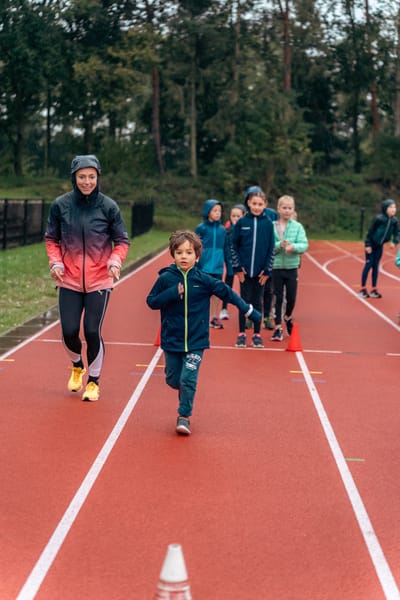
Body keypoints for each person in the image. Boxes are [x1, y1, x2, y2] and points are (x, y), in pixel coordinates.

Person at [146, 230, 261, 435]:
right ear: (173, 254)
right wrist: (173, 293)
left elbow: (228, 293)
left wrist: (249, 310)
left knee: (189, 379)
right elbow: (152, 302)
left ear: (197, 256)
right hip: (172, 339)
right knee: (173, 380)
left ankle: (184, 416)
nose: (184, 256)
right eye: (179, 252)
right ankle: (182, 390)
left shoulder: (204, 280)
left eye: (189, 252)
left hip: (197, 340)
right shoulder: (166, 279)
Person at [45, 154, 130, 401]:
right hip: (69, 279)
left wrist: (115, 261)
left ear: (98, 177)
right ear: (74, 178)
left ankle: (93, 381)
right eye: (82, 177)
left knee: (92, 331)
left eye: (91, 177)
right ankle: (77, 365)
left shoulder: (108, 207)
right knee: (69, 331)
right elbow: (52, 239)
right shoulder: (60, 205)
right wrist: (56, 262)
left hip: (99, 280)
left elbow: (122, 241)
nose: (87, 181)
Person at [231, 186, 275, 348]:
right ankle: (241, 334)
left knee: (258, 302)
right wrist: (237, 268)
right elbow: (233, 245)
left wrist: (267, 270)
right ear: (248, 203)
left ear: (265, 205)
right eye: (254, 203)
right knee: (244, 302)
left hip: (260, 273)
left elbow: (271, 249)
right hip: (244, 272)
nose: (257, 207)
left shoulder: (268, 224)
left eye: (260, 204)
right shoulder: (242, 222)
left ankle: (257, 334)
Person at [270, 195, 308, 342]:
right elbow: (269, 247)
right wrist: (279, 245)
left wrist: (294, 247)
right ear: (279, 209)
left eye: (290, 208)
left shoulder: (297, 227)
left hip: (292, 267)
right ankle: (278, 327)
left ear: (293, 210)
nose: (287, 211)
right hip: (277, 267)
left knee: (291, 297)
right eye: (284, 208)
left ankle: (288, 316)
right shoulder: (272, 226)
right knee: (278, 297)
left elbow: (304, 244)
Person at [195, 199, 233, 329]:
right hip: (203, 266)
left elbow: (227, 249)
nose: (218, 213)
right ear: (207, 212)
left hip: (217, 267)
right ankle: (201, 317)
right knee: (202, 292)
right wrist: (195, 264)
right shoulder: (201, 228)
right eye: (214, 210)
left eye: (220, 211)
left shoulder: (223, 230)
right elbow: (195, 247)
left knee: (216, 293)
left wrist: (229, 267)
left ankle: (214, 317)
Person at [359, 199, 399, 298]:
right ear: (385, 208)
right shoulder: (379, 219)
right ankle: (362, 289)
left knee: (376, 267)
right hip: (371, 245)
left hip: (379, 246)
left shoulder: (394, 221)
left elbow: (397, 233)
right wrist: (367, 244)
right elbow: (370, 232)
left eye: (394, 207)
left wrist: (394, 242)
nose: (393, 209)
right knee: (369, 265)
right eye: (391, 207)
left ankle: (373, 289)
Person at [219, 203, 246, 320]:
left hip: (242, 265)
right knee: (227, 286)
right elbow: (224, 246)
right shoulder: (227, 230)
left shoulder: (245, 230)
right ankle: (224, 309)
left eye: (238, 216)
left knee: (245, 288)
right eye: (233, 216)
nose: (235, 218)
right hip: (230, 263)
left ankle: (245, 310)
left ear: (243, 216)